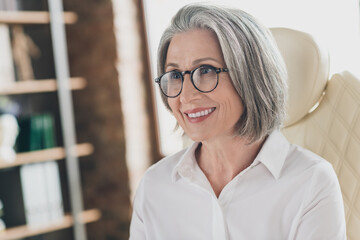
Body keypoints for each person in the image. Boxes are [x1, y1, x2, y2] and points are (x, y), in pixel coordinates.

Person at [130, 4, 346, 240]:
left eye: (206, 70)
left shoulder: (310, 181)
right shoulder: (154, 187)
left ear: (251, 75)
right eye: (174, 75)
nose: (186, 96)